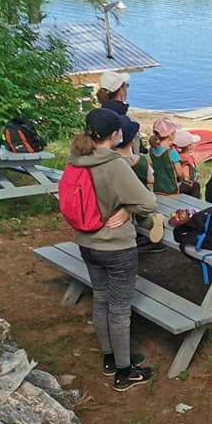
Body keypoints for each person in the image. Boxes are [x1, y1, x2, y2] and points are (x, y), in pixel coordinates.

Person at [66, 108, 164, 391]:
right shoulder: (114, 164)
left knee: (101, 299)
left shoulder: (76, 159)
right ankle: (125, 372)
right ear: (115, 135)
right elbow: (148, 204)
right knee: (120, 309)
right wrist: (125, 210)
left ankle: (111, 358)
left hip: (87, 242)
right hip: (116, 247)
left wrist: (122, 208)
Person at [149, 117, 184, 196]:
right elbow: (180, 174)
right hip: (171, 189)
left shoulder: (151, 150)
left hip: (158, 188)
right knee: (194, 186)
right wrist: (184, 179)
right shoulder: (172, 152)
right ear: (170, 135)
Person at [115, 115, 153, 188]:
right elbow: (151, 179)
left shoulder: (110, 160)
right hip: (141, 195)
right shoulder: (141, 160)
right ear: (132, 141)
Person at [172, 130, 202, 198]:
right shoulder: (185, 161)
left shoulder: (178, 156)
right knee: (196, 186)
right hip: (186, 189)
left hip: (181, 186)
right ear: (189, 147)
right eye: (193, 143)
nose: (196, 144)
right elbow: (186, 176)